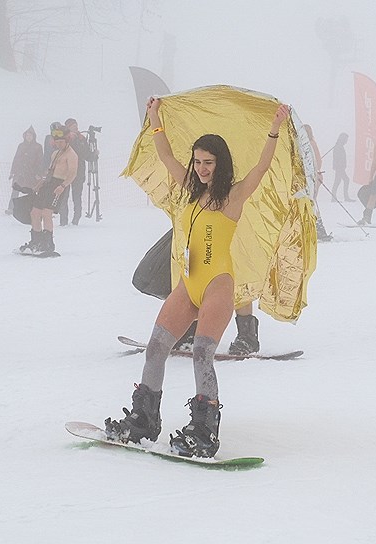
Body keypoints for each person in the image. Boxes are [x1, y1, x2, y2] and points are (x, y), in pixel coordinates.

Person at [104, 97, 289, 458]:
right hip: (189, 284)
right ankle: (144, 421)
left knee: (202, 352)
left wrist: (274, 130)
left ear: (220, 164)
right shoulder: (190, 187)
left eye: (208, 162)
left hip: (217, 284)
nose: (202, 168)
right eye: (198, 162)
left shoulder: (232, 197)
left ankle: (204, 430)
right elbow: (166, 156)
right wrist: (155, 119)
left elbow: (261, 170)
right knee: (157, 347)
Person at [19, 123, 77, 254]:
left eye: (61, 142)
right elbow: (50, 171)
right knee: (34, 212)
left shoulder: (71, 155)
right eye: (57, 142)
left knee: (46, 213)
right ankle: (36, 241)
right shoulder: (55, 153)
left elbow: (73, 174)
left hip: (59, 185)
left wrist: (63, 186)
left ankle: (48, 244)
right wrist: (41, 182)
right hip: (49, 183)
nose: (59, 144)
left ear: (66, 140)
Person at [58, 118, 95, 226]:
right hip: (65, 172)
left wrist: (94, 155)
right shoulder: (64, 139)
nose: (76, 127)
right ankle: (63, 221)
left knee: (77, 196)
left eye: (76, 125)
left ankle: (76, 220)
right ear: (67, 127)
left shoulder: (81, 139)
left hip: (78, 172)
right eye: (73, 125)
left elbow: (86, 155)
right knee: (63, 197)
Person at [7, 126, 45, 213]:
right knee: (15, 190)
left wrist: (39, 173)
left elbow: (40, 161)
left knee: (31, 191)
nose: (28, 137)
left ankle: (31, 209)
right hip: (20, 173)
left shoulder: (38, 147)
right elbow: (16, 158)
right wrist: (12, 172)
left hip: (32, 173)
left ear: (33, 136)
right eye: (27, 135)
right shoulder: (21, 146)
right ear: (24, 136)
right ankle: (11, 208)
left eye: (30, 135)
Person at [329, 133, 351, 201]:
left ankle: (334, 197)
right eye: (346, 139)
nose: (346, 141)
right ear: (343, 139)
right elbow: (338, 158)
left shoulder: (339, 146)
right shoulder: (338, 146)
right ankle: (344, 197)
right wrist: (340, 167)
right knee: (345, 180)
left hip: (340, 167)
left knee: (338, 181)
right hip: (339, 168)